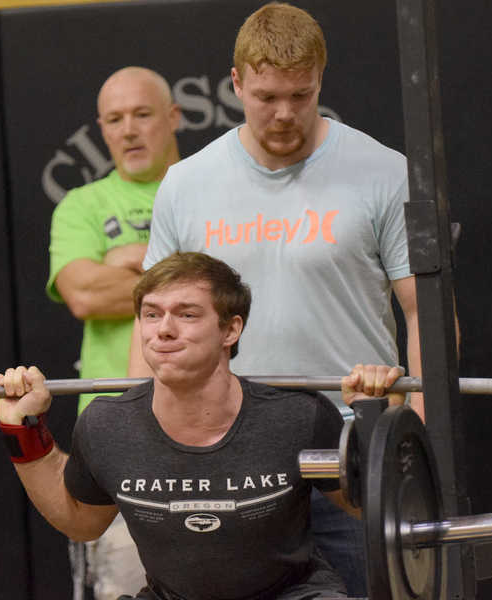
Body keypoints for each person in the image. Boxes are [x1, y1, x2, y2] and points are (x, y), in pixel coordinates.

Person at [126, 3, 450, 595]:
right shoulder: (187, 184)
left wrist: (415, 441)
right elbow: (150, 318)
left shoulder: (383, 172)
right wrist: (143, 445)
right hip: (228, 457)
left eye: (300, 96)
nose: (283, 113)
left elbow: (423, 311)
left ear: (319, 81)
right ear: (237, 83)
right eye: (267, 96)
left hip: (351, 450)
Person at [0, 252, 402, 599]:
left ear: (231, 329)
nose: (164, 330)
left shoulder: (297, 416)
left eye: (186, 314)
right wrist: (23, 431)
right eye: (151, 315)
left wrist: (377, 420)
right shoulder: (107, 424)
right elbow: (82, 522)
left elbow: (366, 505)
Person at [46, 66, 182, 599]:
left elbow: (230, 290)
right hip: (115, 436)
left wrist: (137, 262)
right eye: (115, 119)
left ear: (173, 117)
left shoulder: (206, 190)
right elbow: (82, 294)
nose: (129, 130)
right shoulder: (82, 205)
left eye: (143, 115)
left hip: (212, 430)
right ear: (102, 129)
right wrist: (177, 270)